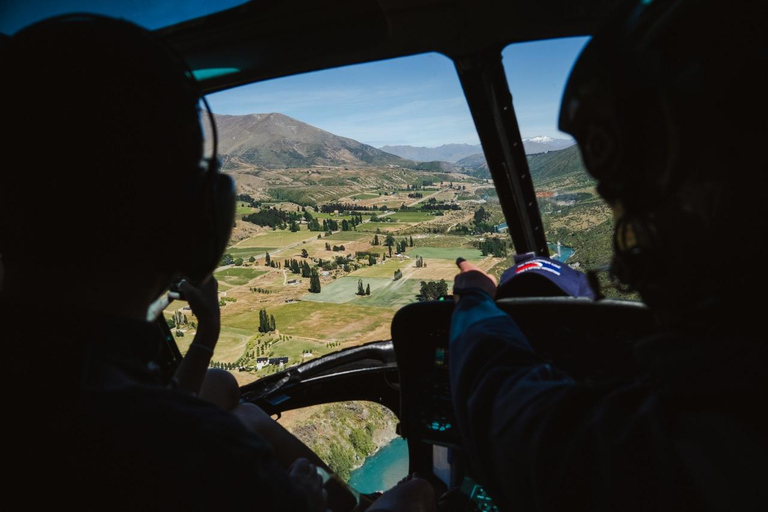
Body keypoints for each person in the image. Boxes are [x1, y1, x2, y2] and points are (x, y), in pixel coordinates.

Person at [1, 14, 436, 512]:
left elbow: (152, 400)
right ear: (194, 221)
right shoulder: (194, 453)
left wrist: (208, 331)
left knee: (227, 388)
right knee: (420, 492)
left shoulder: (46, 366)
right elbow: (162, 422)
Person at [449, 0, 767, 511]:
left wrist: (475, 300)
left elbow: (506, 411)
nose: (627, 261)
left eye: (635, 215)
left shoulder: (689, 452)